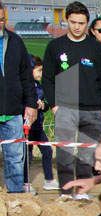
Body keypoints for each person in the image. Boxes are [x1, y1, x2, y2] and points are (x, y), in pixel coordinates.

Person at [41, 1, 101, 199]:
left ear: (87, 24)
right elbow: (48, 78)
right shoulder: (55, 46)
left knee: (87, 153)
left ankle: (83, 190)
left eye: (82, 23)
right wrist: (54, 105)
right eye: (73, 22)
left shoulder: (97, 48)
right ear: (66, 21)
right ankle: (67, 190)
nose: (77, 26)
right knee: (65, 153)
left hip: (93, 109)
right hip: (65, 109)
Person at [0, 4, 37, 194]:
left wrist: (31, 104)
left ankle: (15, 195)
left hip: (13, 111)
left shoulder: (15, 42)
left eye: (1, 20)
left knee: (15, 157)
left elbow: (26, 76)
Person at [28, 56, 56, 191]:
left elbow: (46, 106)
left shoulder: (40, 86)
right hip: (26, 127)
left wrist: (42, 105)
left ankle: (49, 180)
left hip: (38, 126)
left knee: (47, 151)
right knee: (26, 155)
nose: (41, 73)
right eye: (38, 70)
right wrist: (31, 103)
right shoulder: (24, 87)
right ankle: (25, 182)